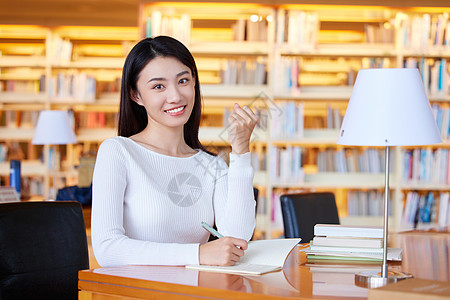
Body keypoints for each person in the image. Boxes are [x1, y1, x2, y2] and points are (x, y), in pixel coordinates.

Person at [91, 36, 258, 268]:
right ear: (135, 95)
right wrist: (198, 254)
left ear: (194, 83)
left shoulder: (213, 166)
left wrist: (240, 153)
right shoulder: (118, 152)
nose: (176, 96)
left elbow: (238, 238)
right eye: (158, 86)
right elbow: (107, 249)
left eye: (183, 81)